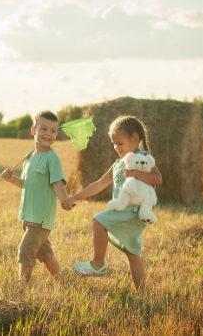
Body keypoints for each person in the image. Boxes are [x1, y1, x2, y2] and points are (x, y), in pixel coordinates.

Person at [64, 115, 162, 295]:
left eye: (120, 143)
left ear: (134, 140)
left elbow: (157, 179)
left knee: (98, 221)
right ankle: (142, 296)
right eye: (114, 144)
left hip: (133, 212)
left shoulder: (143, 157)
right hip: (124, 211)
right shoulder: (118, 164)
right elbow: (99, 184)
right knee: (133, 255)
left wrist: (135, 173)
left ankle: (97, 264)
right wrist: (75, 197)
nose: (116, 148)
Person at [0, 110, 71, 285]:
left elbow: (57, 183)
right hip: (28, 215)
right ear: (33, 131)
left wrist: (65, 200)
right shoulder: (30, 158)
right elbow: (27, 184)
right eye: (44, 129)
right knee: (44, 253)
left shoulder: (52, 157)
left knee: (25, 251)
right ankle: (61, 283)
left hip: (40, 218)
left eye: (53, 131)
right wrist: (11, 179)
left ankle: (22, 290)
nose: (48, 134)